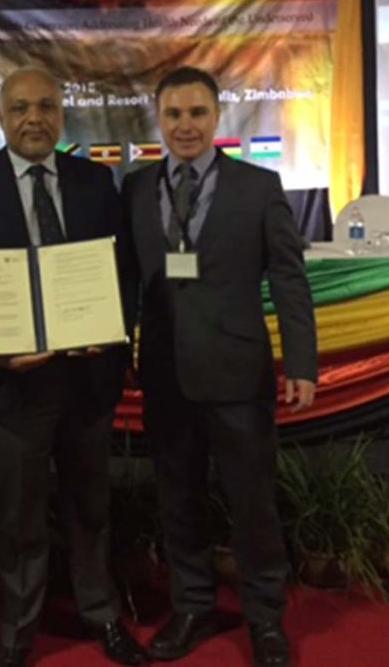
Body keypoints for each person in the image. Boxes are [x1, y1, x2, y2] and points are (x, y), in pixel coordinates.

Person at [0, 67, 147, 667]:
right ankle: (16, 635)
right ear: (0, 117)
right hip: (13, 385)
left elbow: (125, 271)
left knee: (91, 508)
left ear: (61, 115)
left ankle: (102, 615)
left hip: (89, 381)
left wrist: (110, 329)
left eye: (47, 106)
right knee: (18, 516)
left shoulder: (95, 181)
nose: (34, 118)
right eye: (21, 107)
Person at [120, 66, 318, 667]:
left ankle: (266, 620)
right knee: (178, 501)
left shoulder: (258, 187)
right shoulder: (134, 188)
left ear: (216, 117)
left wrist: (302, 362)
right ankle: (193, 608)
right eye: (174, 114)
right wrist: (113, 350)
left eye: (197, 113)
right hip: (164, 374)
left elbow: (289, 278)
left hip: (238, 374)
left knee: (252, 504)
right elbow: (123, 281)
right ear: (158, 119)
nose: (186, 126)